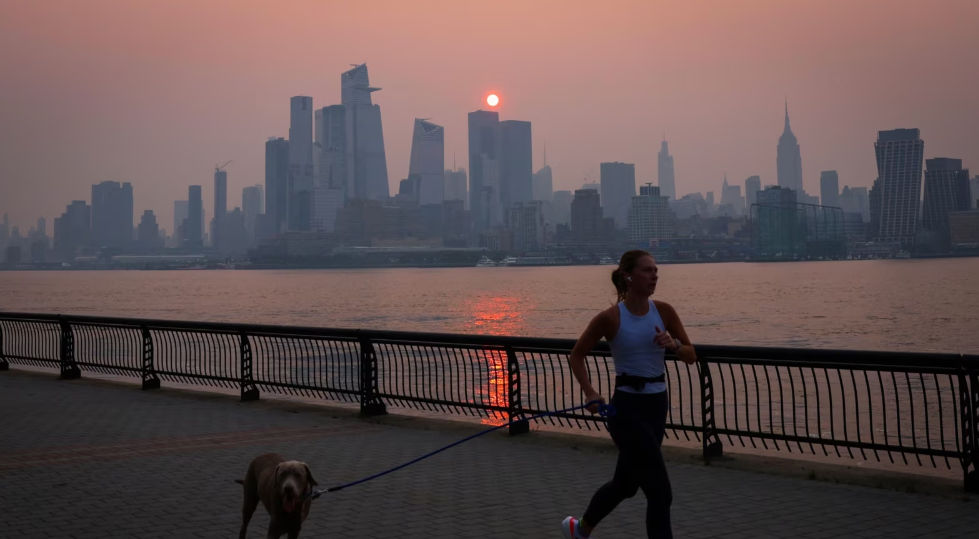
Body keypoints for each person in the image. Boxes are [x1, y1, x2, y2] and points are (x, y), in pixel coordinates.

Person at [561, 250, 696, 539]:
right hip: (627, 409)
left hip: (657, 405)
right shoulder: (610, 318)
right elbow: (576, 355)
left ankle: (579, 529)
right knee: (660, 493)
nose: (655, 276)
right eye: (648, 270)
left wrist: (673, 345)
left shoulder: (665, 312)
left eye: (656, 271)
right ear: (628, 276)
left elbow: (691, 355)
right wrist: (590, 393)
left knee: (625, 486)